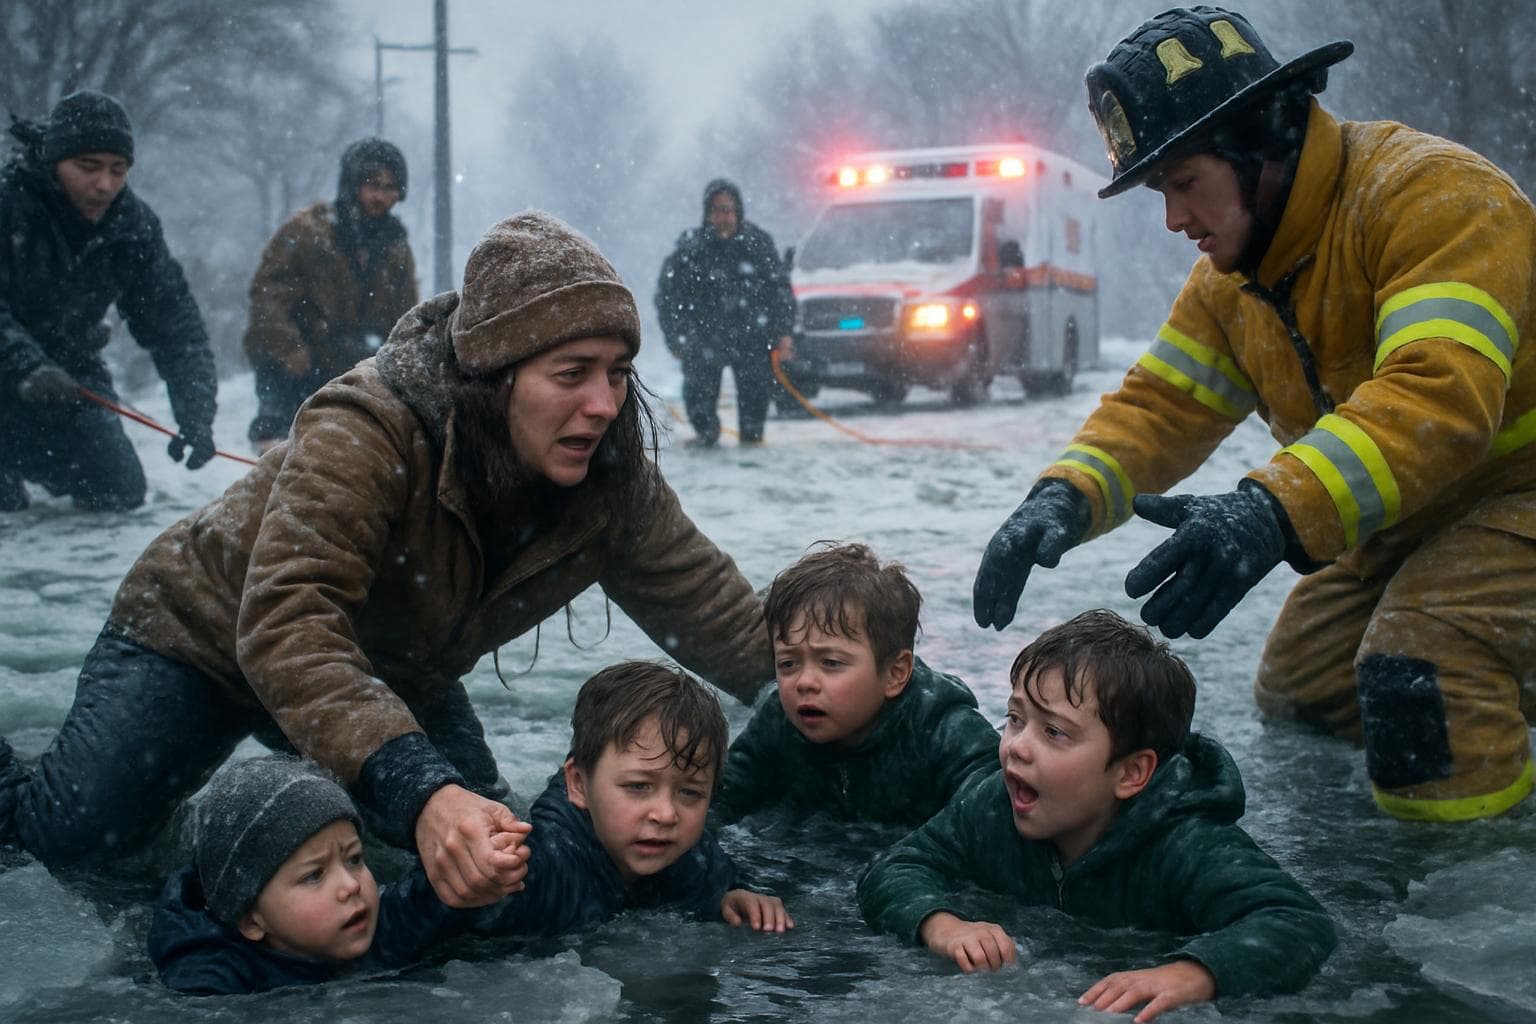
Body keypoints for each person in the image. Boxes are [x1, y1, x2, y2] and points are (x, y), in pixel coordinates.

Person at [0, 211, 771, 914]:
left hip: (386, 675)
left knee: (492, 871)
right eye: (572, 374)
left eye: (615, 372)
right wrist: (421, 791)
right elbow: (285, 625)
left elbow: (712, 610)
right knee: (71, 842)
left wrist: (842, 698)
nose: (603, 403)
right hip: (197, 641)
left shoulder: (609, 477)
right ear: (494, 380)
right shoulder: (367, 424)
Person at [972, 5, 1536, 822]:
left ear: (1260, 141)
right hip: (1410, 520)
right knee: (1304, 691)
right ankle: (1399, 818)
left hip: (1519, 497)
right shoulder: (1233, 283)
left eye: (1183, 184)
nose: (1172, 220)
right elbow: (1160, 408)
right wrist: (1063, 495)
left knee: (1416, 662)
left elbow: (1436, 398)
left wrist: (1268, 512)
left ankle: (1474, 898)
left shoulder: (1436, 198)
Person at [858, 610, 1335, 1021]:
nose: (1016, 746)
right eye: (1016, 719)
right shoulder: (991, 808)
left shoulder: (1184, 841)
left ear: (1130, 772)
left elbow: (1297, 922)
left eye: (1054, 732)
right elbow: (894, 867)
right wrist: (942, 924)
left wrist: (1194, 973)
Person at [0, 90, 218, 511]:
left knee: (118, 489)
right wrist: (24, 365)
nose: (105, 184)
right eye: (89, 167)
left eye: (118, 170)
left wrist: (195, 413)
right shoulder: (8, 203)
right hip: (11, 368)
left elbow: (175, 325)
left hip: (70, 371)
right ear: (54, 160)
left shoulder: (133, 226)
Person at [149, 756, 524, 995]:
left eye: (355, 859)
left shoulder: (377, 923)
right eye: (314, 876)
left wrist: (487, 861)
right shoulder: (208, 982)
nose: (350, 886)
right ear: (251, 919)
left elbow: (436, 896)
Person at [470, 661, 791, 937]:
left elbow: (718, 872)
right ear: (579, 784)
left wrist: (734, 895)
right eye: (639, 786)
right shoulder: (534, 870)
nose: (666, 814)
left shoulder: (691, 856)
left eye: (690, 792)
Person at [712, 543, 999, 826]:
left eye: (831, 663)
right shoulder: (777, 720)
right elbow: (717, 804)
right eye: (788, 663)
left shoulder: (946, 731)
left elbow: (990, 820)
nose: (805, 682)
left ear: (895, 674)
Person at [243, 138, 418, 451]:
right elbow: (268, 300)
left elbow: (406, 321)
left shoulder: (396, 248)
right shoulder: (307, 232)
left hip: (357, 372)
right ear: (352, 185)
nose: (380, 196)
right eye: (373, 184)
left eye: (390, 187)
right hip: (299, 366)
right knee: (284, 453)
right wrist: (289, 349)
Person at [654, 178, 795, 447]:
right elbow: (668, 297)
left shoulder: (758, 245)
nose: (724, 217)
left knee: (754, 423)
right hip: (704, 339)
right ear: (707, 213)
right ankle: (706, 437)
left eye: (729, 210)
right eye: (718, 210)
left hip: (753, 338)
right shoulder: (690, 250)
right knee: (700, 407)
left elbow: (781, 293)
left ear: (738, 212)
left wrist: (784, 333)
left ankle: (752, 446)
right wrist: (675, 336)